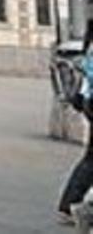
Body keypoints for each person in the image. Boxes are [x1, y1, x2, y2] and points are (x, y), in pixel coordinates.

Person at [57, 18, 93, 225]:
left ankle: (70, 204)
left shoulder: (89, 48)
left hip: (89, 103)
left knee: (90, 158)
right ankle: (75, 206)